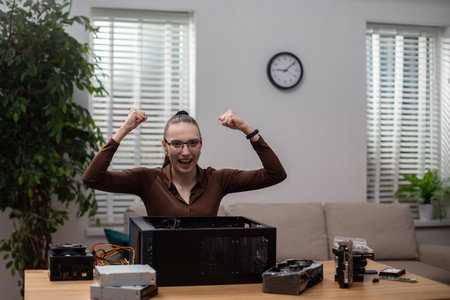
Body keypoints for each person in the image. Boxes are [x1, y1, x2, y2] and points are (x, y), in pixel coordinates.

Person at [83, 108, 286, 216]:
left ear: (201, 144)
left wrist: (246, 128)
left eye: (192, 143)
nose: (186, 152)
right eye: (177, 144)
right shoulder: (146, 180)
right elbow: (93, 179)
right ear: (165, 146)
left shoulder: (219, 179)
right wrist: (123, 131)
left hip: (207, 278)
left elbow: (275, 174)